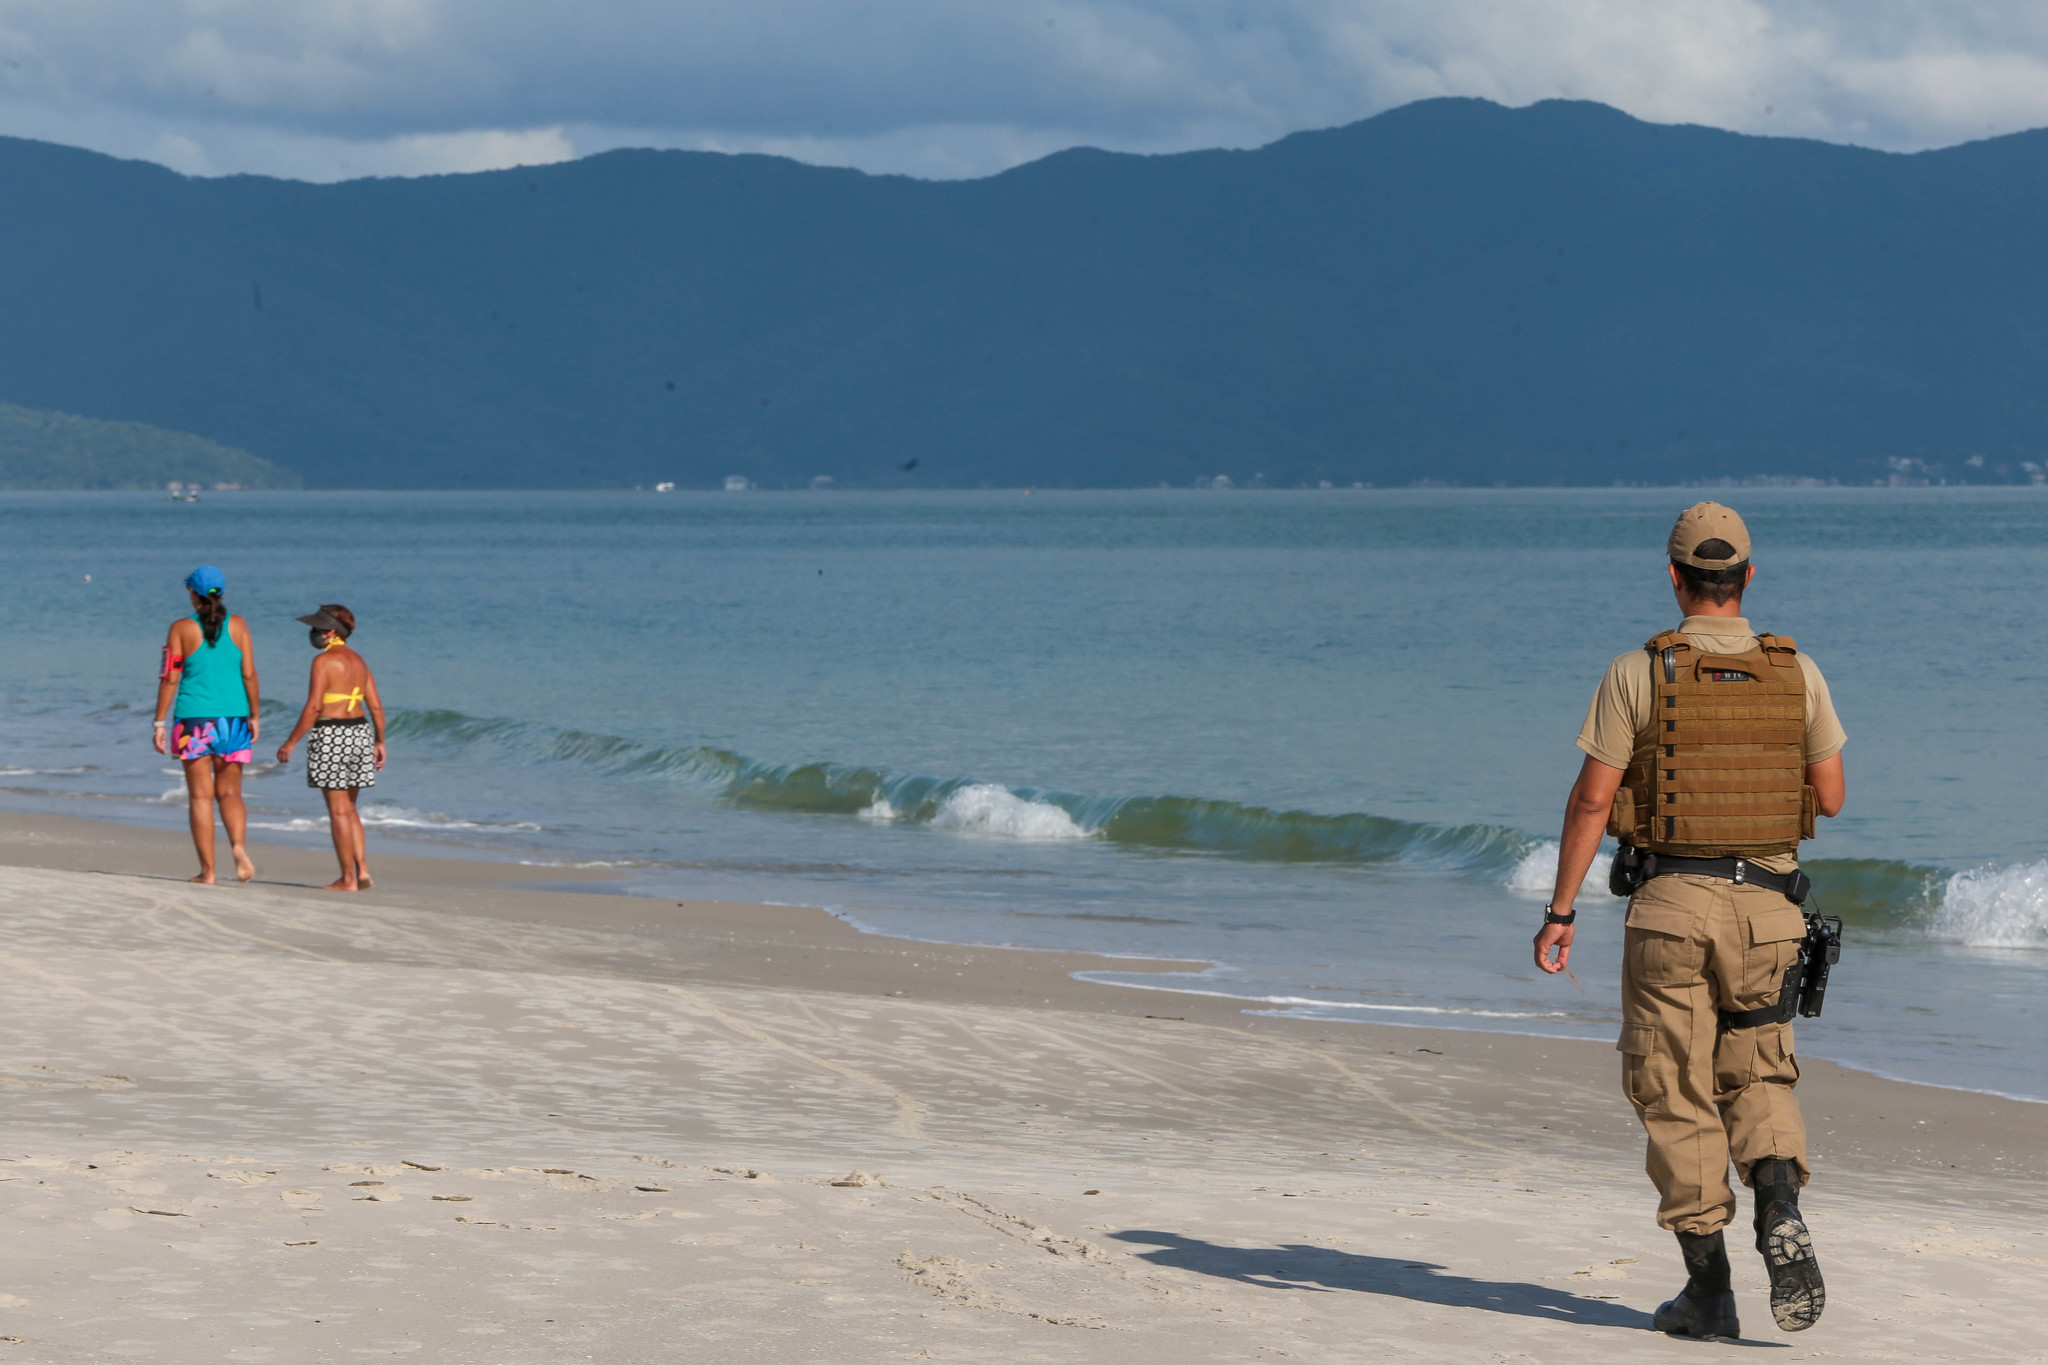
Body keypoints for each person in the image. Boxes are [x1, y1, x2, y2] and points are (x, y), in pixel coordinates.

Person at [1533, 503, 1846, 1341]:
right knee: (1760, 1071)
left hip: (1671, 908)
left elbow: (1593, 800)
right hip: (1770, 912)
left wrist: (1561, 911)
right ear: (1748, 577)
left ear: (1674, 578)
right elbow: (1833, 794)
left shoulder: (1640, 671)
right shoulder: (1798, 671)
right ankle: (1777, 1198)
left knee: (1673, 1085)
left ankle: (1709, 1290)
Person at [152, 565, 260, 884]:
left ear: (192, 593)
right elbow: (250, 674)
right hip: (233, 719)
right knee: (230, 794)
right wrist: (254, 715)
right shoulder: (239, 625)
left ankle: (208, 872)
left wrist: (159, 722)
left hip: (193, 720)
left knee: (200, 797)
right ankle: (238, 847)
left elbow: (170, 678)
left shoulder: (180, 628)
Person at [274, 605, 387, 891]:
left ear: (331, 632)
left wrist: (291, 741)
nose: (313, 634)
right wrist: (380, 741)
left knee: (337, 812)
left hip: (331, 735)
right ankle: (362, 871)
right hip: (360, 732)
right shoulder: (360, 661)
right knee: (350, 809)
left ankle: (347, 878)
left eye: (317, 629)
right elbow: (375, 705)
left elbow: (314, 707)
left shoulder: (322, 661)